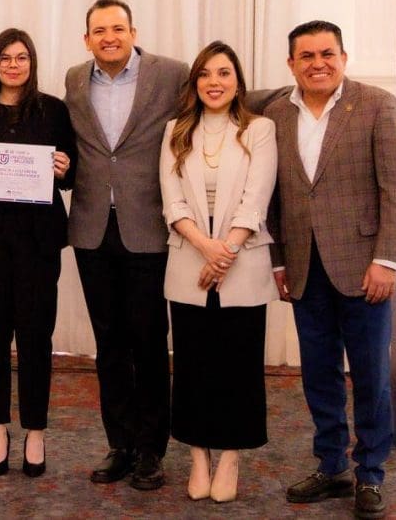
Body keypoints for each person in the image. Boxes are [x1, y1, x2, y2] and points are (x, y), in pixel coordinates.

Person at [266, 21, 396, 519]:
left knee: (371, 376)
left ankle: (370, 473)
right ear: (290, 64)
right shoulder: (274, 114)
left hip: (365, 269)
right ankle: (331, 466)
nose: (317, 63)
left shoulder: (376, 105)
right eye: (305, 56)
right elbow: (274, 196)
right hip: (306, 271)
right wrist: (280, 259)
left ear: (344, 57)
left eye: (326, 53)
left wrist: (387, 259)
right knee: (319, 375)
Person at [63, 0, 189, 490]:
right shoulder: (75, 79)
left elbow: (220, 97)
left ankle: (152, 450)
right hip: (93, 229)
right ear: (87, 38)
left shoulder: (171, 74)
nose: (109, 37)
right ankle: (119, 443)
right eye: (99, 30)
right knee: (109, 344)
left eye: (118, 28)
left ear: (134, 31)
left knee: (150, 342)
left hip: (149, 228)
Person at [0, 28, 75, 478]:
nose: (13, 65)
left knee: (36, 339)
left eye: (21, 57)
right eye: (5, 57)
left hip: (38, 242)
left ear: (32, 62)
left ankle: (36, 432)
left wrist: (64, 168)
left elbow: (70, 171)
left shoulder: (53, 110)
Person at [158, 41, 278, 502]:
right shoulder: (175, 131)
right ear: (195, 82)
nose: (214, 82)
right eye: (206, 74)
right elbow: (172, 201)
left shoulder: (259, 129)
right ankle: (197, 456)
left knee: (238, 365)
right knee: (191, 365)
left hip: (242, 265)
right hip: (189, 261)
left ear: (237, 82)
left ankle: (230, 454)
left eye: (224, 73)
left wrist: (225, 252)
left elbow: (256, 196)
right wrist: (206, 248)